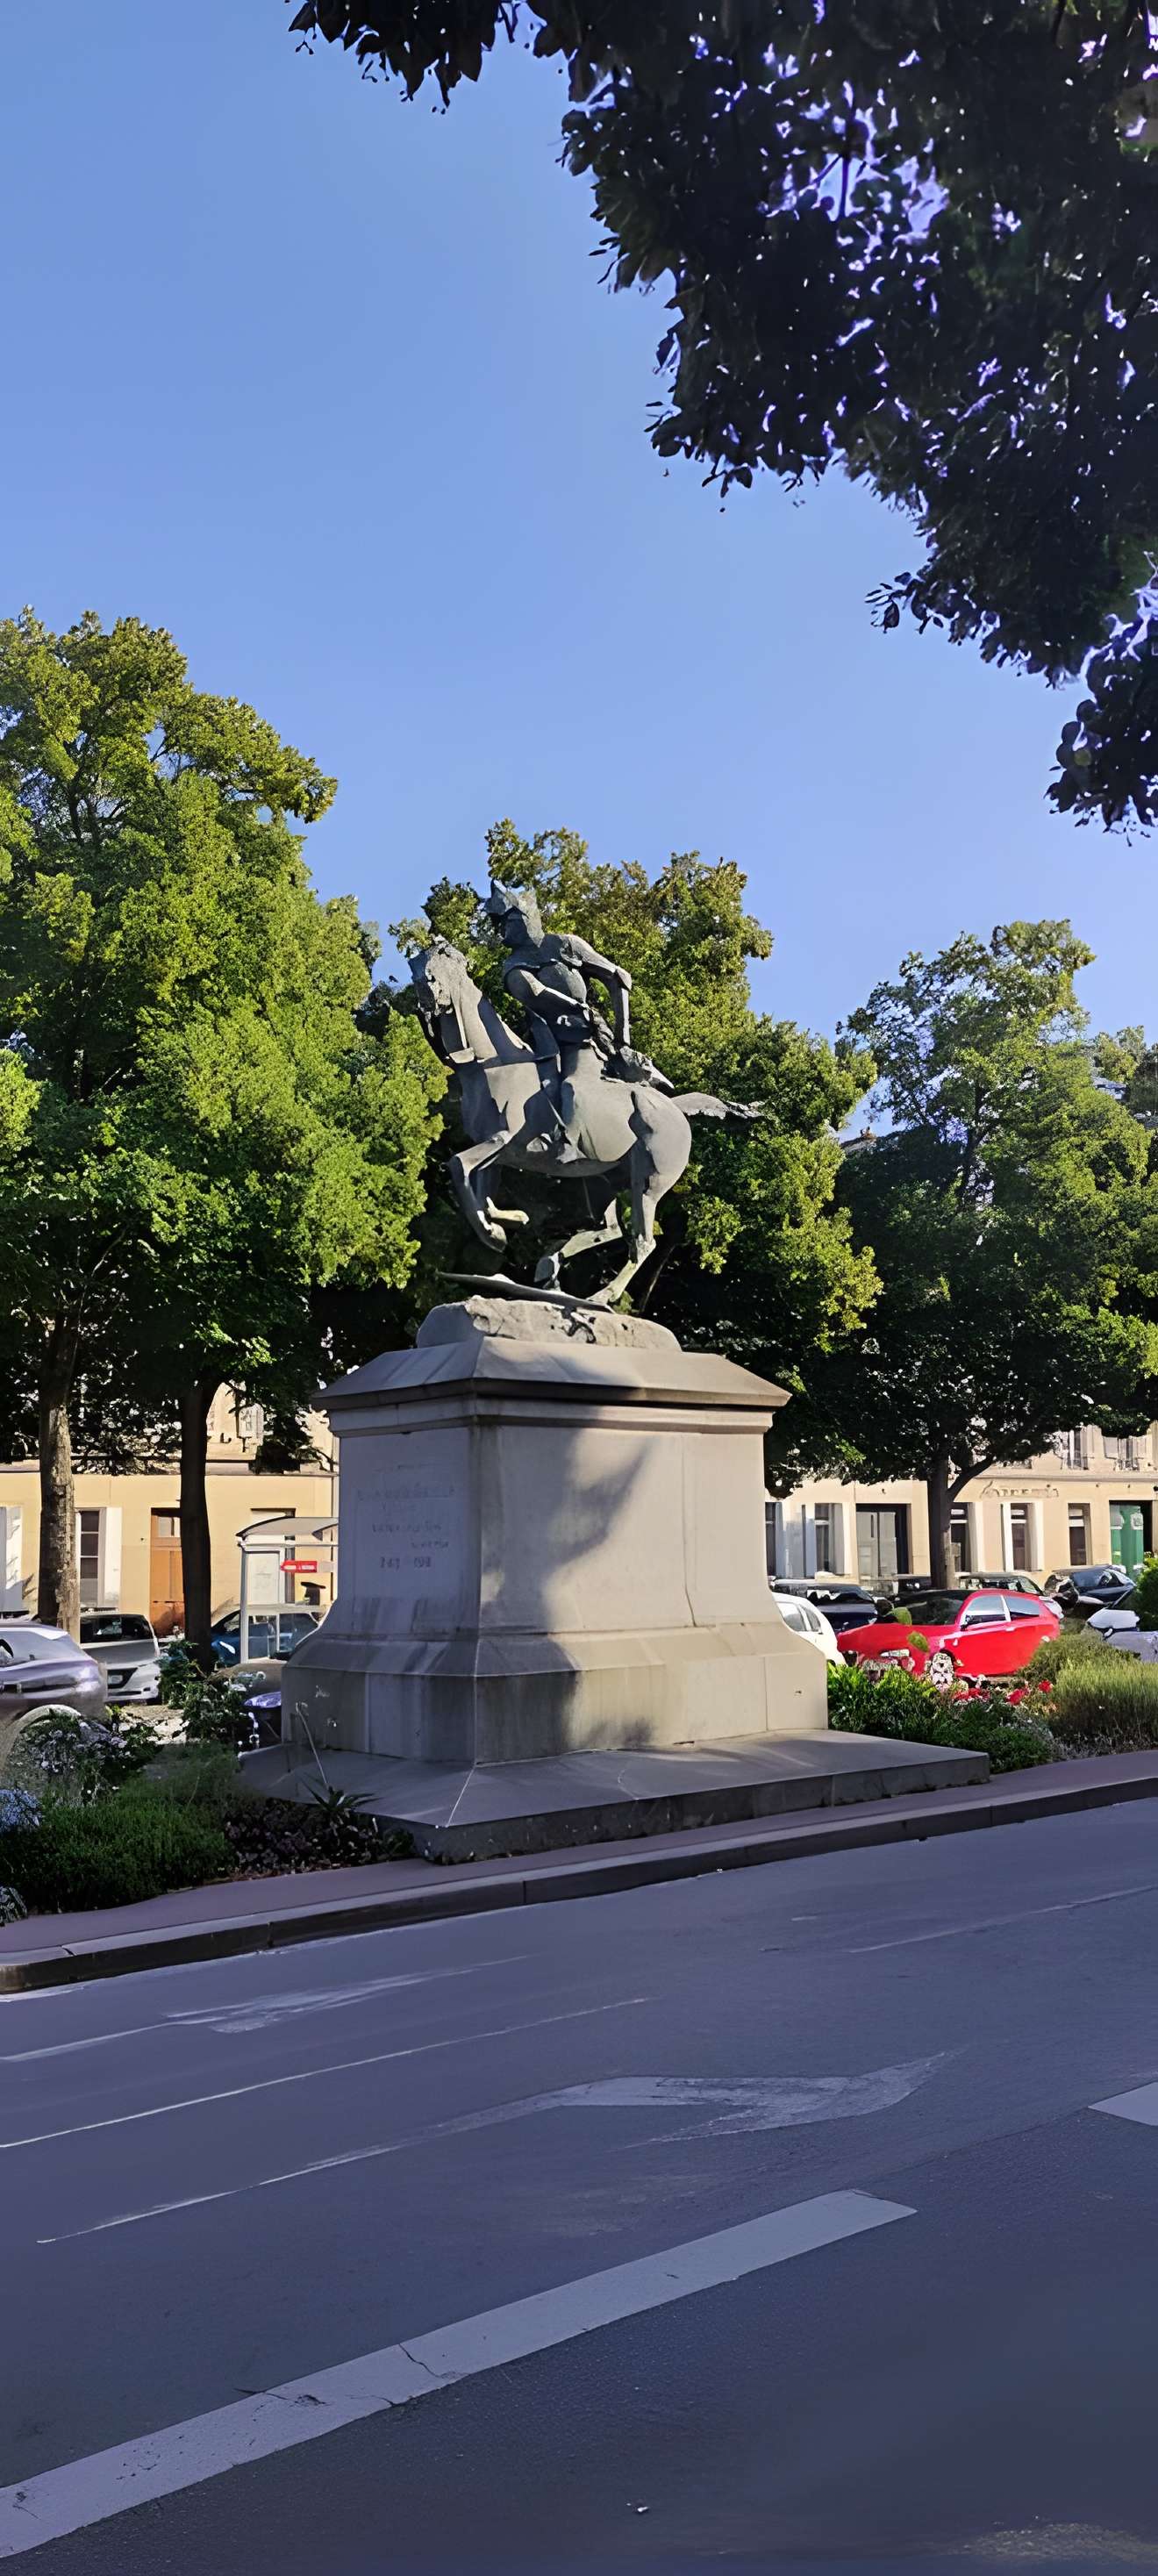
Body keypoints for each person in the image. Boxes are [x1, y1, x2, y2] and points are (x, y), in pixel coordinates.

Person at [481, 883, 671, 1160]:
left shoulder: (565, 944)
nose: (501, 932)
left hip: (584, 1040)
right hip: (544, 1042)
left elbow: (618, 977)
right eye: (497, 925)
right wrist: (572, 1006)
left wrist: (622, 1039)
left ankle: (569, 1143)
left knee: (572, 1087)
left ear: (523, 916)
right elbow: (535, 992)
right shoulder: (513, 967)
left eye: (504, 922)